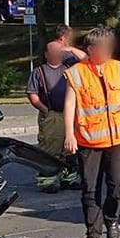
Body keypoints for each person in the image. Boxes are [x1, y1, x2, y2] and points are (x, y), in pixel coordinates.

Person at [63, 26, 120, 238]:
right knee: (90, 188)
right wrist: (69, 133)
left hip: (118, 138)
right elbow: (69, 103)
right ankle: (92, 234)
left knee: (119, 185)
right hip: (89, 140)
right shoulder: (77, 73)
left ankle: (111, 219)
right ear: (91, 49)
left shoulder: (119, 69)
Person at [26, 40, 80, 193]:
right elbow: (33, 94)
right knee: (50, 148)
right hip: (52, 115)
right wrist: (45, 110)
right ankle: (48, 181)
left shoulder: (69, 69)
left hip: (69, 114)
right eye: (55, 52)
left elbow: (85, 59)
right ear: (46, 54)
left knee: (70, 149)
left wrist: (71, 48)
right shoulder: (39, 72)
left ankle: (69, 177)